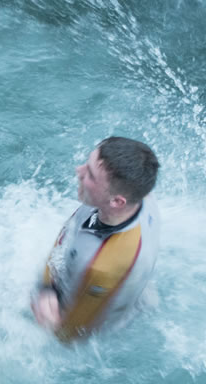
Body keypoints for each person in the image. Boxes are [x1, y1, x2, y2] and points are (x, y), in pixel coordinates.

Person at [31, 136, 161, 341]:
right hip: (128, 286)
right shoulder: (138, 194)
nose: (78, 171)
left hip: (102, 310)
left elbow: (71, 332)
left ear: (117, 202)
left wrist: (46, 293)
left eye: (90, 175)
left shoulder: (100, 267)